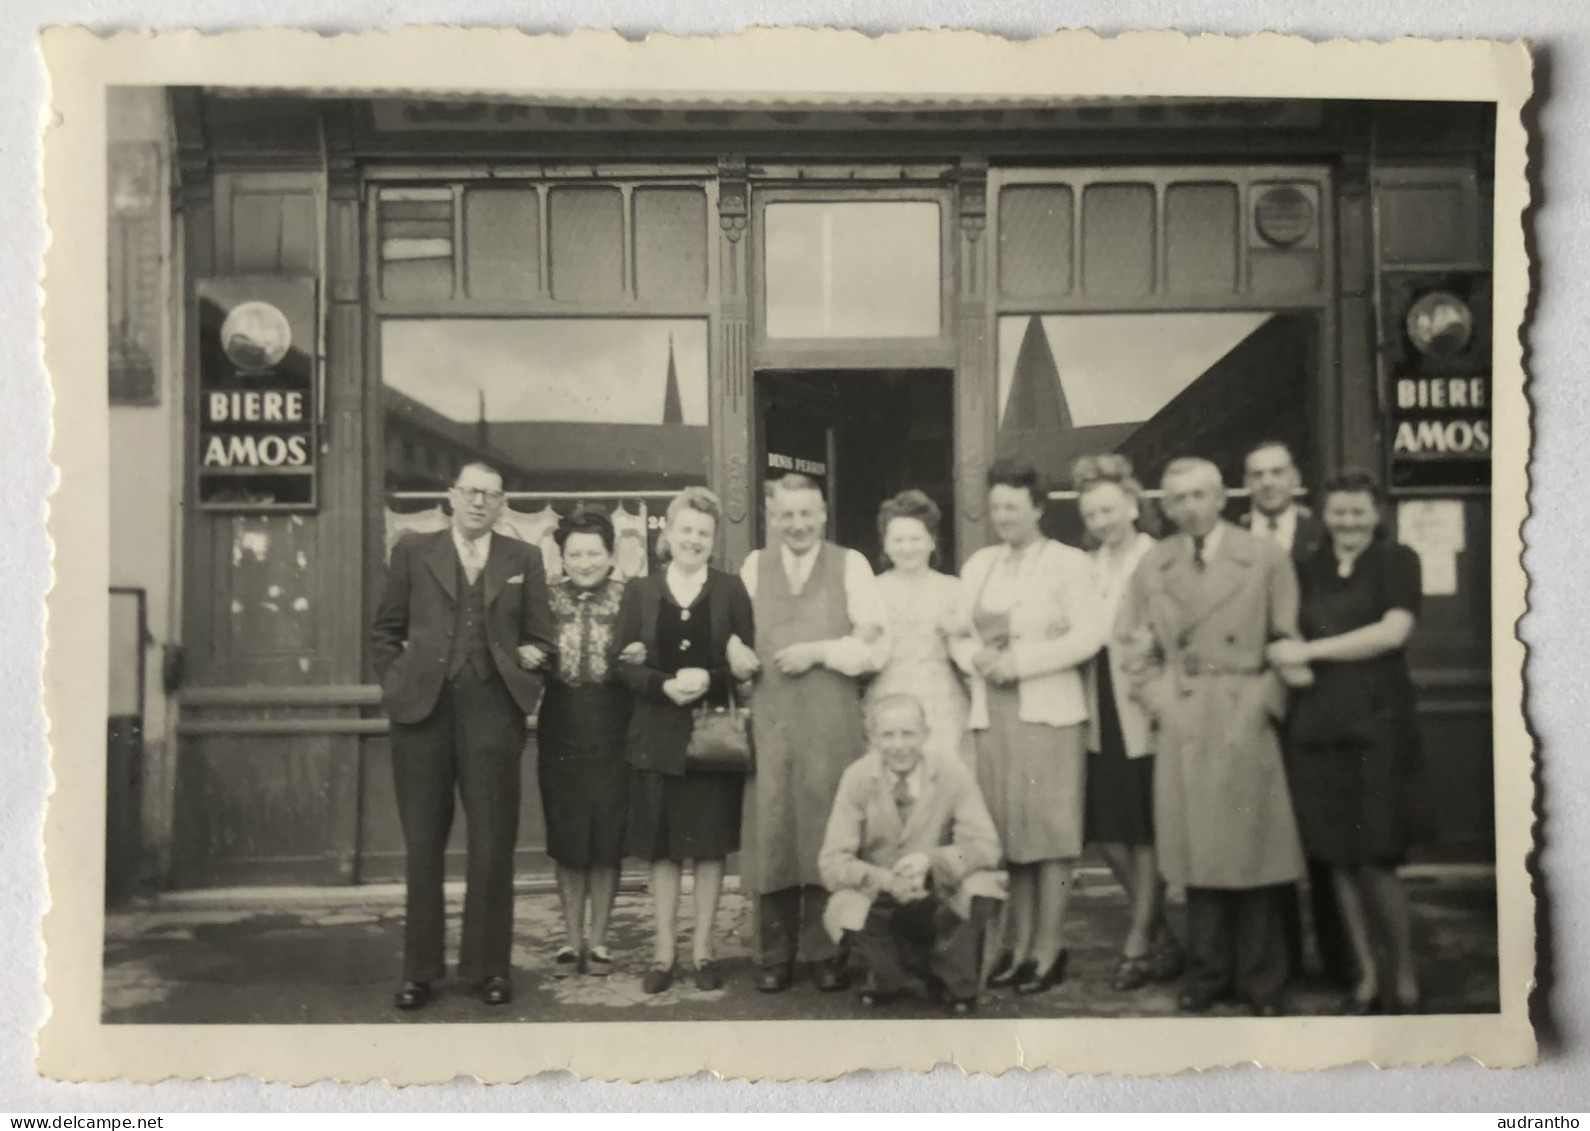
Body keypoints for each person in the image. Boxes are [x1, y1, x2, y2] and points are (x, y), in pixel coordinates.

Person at [1116, 457, 1309, 1016]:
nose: (1189, 508)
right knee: (1197, 855)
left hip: (1243, 711)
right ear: (1166, 506)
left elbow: (1286, 638)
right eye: (1177, 499)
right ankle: (1208, 972)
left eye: (1200, 495)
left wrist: (1262, 703)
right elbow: (1132, 644)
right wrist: (1159, 701)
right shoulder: (1155, 563)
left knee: (1253, 853)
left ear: (1222, 498)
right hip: (1186, 715)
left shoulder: (1265, 557)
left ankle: (1261, 979)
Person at [370, 462, 556, 1011]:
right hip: (420, 714)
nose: (480, 502)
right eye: (471, 492)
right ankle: (419, 972)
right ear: (450, 496)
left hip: (493, 712)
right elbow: (385, 632)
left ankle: (488, 969)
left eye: (492, 495)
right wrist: (396, 681)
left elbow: (543, 637)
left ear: (502, 505)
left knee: (493, 844)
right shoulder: (411, 551)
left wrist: (528, 669)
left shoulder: (522, 558)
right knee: (423, 844)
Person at [1266, 471, 1426, 1015]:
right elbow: (1284, 629)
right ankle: (1363, 978)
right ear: (1324, 513)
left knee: (1376, 859)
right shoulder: (1306, 567)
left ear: (1376, 513)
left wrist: (1309, 654)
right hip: (1317, 727)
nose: (1349, 522)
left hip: (1378, 725)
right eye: (1339, 512)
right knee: (1335, 859)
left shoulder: (1398, 560)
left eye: (1359, 512)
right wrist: (1288, 657)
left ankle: (1402, 979)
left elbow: (1392, 633)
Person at [950, 458, 1105, 996]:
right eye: (996, 507)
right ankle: (1014, 947)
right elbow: (956, 632)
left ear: (1038, 507)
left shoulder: (1070, 565)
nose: (1003, 517)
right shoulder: (980, 564)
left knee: (1052, 835)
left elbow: (1090, 636)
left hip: (1048, 713)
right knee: (1010, 836)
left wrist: (1021, 661)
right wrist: (978, 660)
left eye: (1013, 507)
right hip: (993, 714)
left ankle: (1049, 947)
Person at [739, 473, 890, 994]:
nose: (797, 524)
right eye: (787, 515)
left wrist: (820, 651)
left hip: (830, 719)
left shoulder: (851, 565)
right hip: (772, 718)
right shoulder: (754, 566)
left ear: (823, 515)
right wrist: (733, 651)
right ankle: (774, 955)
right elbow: (733, 633)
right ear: (772, 517)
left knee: (832, 830)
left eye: (807, 514)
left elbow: (874, 647)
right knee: (773, 831)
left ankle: (830, 952)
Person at [612, 487, 757, 994]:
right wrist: (662, 685)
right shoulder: (640, 592)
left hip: (712, 737)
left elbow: (745, 666)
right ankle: (663, 952)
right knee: (663, 850)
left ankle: (703, 951)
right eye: (686, 530)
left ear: (713, 540)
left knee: (709, 848)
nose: (693, 540)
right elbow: (622, 664)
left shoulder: (731, 590)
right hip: (656, 735)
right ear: (667, 534)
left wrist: (711, 678)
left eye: (703, 532)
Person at [1239, 439, 1351, 989]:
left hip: (1315, 700)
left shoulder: (1322, 536)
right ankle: (1277, 964)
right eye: (1257, 474)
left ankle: (1340, 960)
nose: (1267, 483)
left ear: (1295, 477)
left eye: (1277, 472)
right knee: (1264, 836)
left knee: (1324, 836)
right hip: (1252, 704)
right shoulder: (1232, 541)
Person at [818, 693, 1003, 1015]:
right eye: (888, 735)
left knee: (983, 885)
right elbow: (832, 860)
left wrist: (933, 861)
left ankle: (955, 978)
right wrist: (884, 879)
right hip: (881, 895)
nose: (899, 745)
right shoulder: (858, 777)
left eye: (908, 734)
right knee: (844, 906)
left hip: (938, 890)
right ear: (872, 738)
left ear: (925, 735)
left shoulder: (952, 773)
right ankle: (885, 976)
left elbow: (986, 846)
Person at [1071, 454, 1182, 992]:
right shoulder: (1087, 565)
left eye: (1109, 510)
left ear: (1134, 506)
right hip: (1100, 707)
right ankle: (1159, 932)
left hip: (1147, 707)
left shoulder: (1158, 558)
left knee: (1146, 827)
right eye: (1091, 514)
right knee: (1111, 831)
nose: (1101, 522)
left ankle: (1139, 940)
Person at [536, 505, 632, 979]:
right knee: (568, 834)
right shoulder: (546, 600)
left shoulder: (630, 599)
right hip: (561, 724)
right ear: (563, 558)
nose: (586, 562)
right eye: (576, 554)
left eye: (594, 552)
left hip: (616, 725)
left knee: (607, 835)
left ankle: (600, 941)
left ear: (611, 555)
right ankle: (570, 940)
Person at [865, 490, 972, 767]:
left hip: (942, 699)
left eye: (916, 539)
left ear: (932, 542)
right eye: (898, 540)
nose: (907, 547)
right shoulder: (871, 590)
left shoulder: (954, 589)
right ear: (886, 546)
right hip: (886, 695)